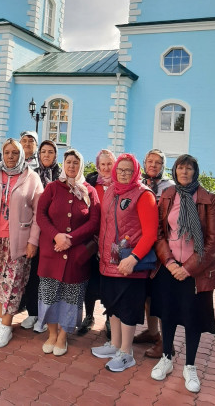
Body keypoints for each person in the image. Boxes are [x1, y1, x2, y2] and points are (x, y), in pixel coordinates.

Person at [149, 154, 215, 393]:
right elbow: (160, 233)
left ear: (195, 171)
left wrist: (187, 268)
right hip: (169, 268)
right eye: (180, 168)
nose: (184, 172)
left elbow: (212, 243)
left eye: (189, 169)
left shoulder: (208, 200)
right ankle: (167, 358)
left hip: (195, 272)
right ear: (175, 170)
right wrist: (169, 262)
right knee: (167, 315)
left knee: (192, 320)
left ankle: (190, 366)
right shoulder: (169, 196)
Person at [0, 138, 43, 348]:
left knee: (12, 283)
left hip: (18, 241)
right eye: (7, 152)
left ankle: (6, 326)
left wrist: (33, 241)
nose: (11, 157)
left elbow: (39, 214)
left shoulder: (31, 177)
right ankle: (1, 319)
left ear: (21, 155)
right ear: (1, 154)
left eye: (15, 153)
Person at [92, 153, 158, 372]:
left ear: (136, 172)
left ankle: (126, 353)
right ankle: (115, 345)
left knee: (128, 308)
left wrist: (134, 258)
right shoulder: (111, 190)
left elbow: (150, 234)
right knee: (113, 305)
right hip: (109, 260)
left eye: (128, 170)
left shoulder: (143, 195)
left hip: (129, 263)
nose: (123, 174)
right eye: (120, 169)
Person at [37, 149, 100, 356]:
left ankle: (63, 336)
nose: (72, 166)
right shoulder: (53, 187)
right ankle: (52, 334)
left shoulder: (90, 191)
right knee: (49, 296)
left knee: (71, 298)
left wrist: (70, 239)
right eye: (69, 162)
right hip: (52, 252)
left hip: (75, 255)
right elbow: (41, 215)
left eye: (76, 163)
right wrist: (57, 236)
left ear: (81, 166)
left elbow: (94, 221)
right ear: (63, 164)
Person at [134, 148, 175, 358]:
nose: (153, 165)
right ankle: (152, 333)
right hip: (141, 246)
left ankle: (166, 343)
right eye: (150, 161)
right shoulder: (138, 184)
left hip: (162, 247)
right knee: (147, 295)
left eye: (158, 162)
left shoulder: (170, 187)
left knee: (162, 296)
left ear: (163, 166)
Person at [21, 140, 61, 332]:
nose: (46, 155)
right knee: (32, 274)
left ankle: (48, 316)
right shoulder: (31, 174)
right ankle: (32, 313)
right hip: (34, 230)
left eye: (50, 152)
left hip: (55, 234)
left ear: (56, 155)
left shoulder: (62, 176)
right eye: (43, 151)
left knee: (50, 277)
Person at [78, 149, 116, 336]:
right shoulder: (90, 183)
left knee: (109, 282)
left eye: (110, 163)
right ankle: (89, 316)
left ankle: (109, 319)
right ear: (98, 166)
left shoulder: (121, 184)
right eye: (103, 164)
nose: (106, 167)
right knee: (90, 281)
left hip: (113, 243)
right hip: (92, 241)